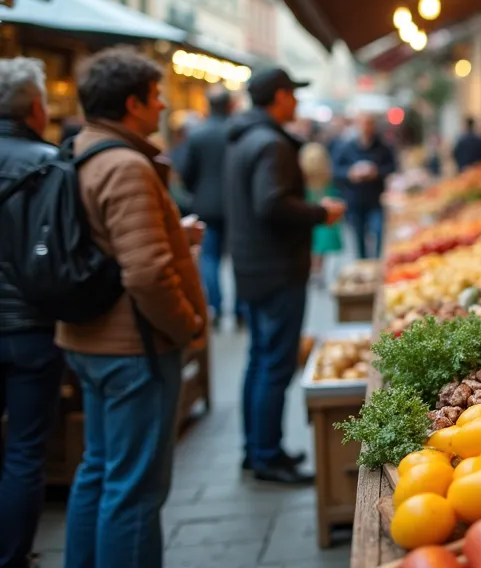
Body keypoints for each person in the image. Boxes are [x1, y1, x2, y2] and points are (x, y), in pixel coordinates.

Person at [59, 47, 207, 568]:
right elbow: (144, 272)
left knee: (98, 471)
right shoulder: (124, 165)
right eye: (155, 94)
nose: (164, 104)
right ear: (132, 103)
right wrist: (186, 324)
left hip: (89, 342)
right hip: (134, 349)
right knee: (135, 490)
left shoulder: (82, 150)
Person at [226, 68, 343, 484]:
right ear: (278, 96)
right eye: (292, 94)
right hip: (275, 269)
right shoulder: (271, 143)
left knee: (260, 359)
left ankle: (255, 448)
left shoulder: (244, 139)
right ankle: (267, 455)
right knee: (274, 363)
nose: (296, 102)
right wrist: (320, 213)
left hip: (254, 266)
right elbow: (272, 203)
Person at [0, 58, 62, 567]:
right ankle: (12, 555)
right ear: (37, 108)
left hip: (23, 323)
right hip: (30, 326)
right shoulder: (46, 163)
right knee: (23, 448)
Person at [178, 88, 242, 328]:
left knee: (210, 258)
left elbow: (186, 173)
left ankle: (214, 307)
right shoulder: (236, 132)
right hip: (235, 205)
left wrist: (196, 191)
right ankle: (239, 310)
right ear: (230, 105)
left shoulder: (198, 135)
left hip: (206, 204)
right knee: (236, 258)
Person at [331, 114, 396, 260]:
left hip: (375, 199)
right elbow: (335, 170)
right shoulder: (346, 147)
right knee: (359, 238)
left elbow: (392, 166)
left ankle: (376, 262)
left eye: (370, 124)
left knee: (378, 232)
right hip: (355, 200)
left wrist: (376, 172)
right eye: (363, 123)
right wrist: (350, 173)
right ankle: (364, 265)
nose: (367, 127)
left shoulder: (382, 147)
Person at [302, 142, 343, 284]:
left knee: (317, 246)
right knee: (320, 246)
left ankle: (317, 270)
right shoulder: (325, 176)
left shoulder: (308, 179)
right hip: (321, 216)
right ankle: (318, 270)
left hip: (317, 217)